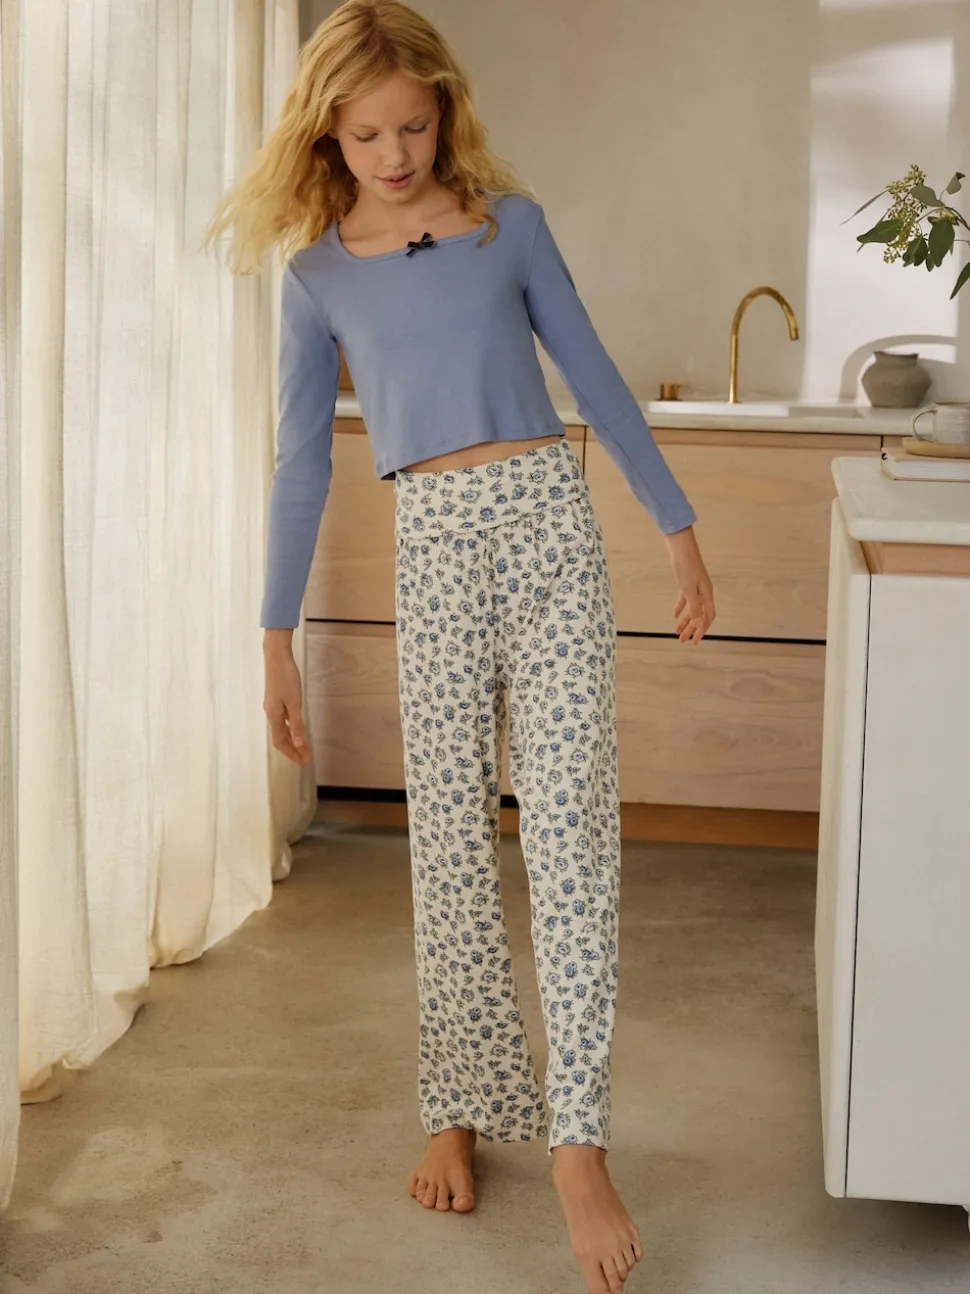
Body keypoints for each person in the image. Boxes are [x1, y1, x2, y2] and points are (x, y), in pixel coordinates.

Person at [209, 3, 715, 1291]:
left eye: (415, 127)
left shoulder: (511, 227)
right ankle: (460, 1103)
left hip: (549, 529)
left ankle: (579, 1142)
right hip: (430, 548)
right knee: (446, 847)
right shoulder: (317, 278)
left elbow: (594, 377)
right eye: (368, 134)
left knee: (571, 837)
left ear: (446, 114)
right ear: (328, 134)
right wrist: (273, 639)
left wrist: (678, 529)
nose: (395, 154)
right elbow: (300, 464)